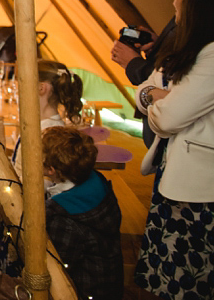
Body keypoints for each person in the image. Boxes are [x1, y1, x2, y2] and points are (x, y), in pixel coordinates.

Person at [134, 0, 214, 299]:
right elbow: (146, 93)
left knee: (189, 285)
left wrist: (158, 99)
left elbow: (167, 120)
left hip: (201, 197)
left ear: (199, 3)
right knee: (169, 282)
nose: (174, 3)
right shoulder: (190, 52)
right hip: (175, 187)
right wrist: (156, 96)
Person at [112, 0, 214, 146]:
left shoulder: (213, 44)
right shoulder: (187, 18)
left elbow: (169, 113)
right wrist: (158, 46)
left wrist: (133, 64)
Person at [0, 59, 84, 277]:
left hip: (33, 218)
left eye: (21, 83)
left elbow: (39, 187)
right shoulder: (40, 125)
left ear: (41, 88)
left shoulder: (48, 134)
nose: (17, 89)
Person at [41, 126, 123, 300]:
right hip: (110, 286)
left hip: (82, 291)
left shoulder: (64, 218)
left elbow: (56, 267)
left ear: (51, 170)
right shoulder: (96, 183)